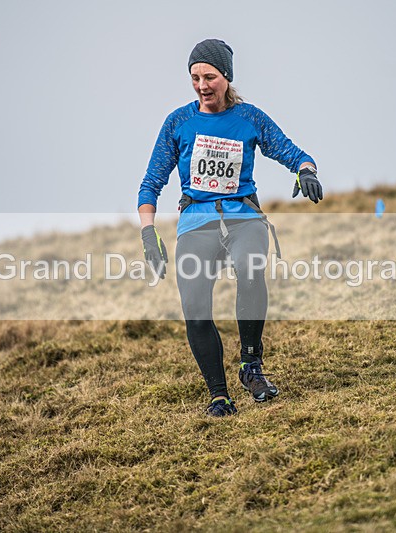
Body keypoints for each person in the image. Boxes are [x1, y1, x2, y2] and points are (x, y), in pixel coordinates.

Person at [137, 39, 322, 417]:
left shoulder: (249, 118)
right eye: (195, 78)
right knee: (194, 307)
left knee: (251, 270)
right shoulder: (178, 122)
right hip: (196, 222)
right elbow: (150, 183)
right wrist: (147, 233)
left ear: (226, 77)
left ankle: (251, 366)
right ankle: (218, 394)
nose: (202, 85)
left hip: (243, 217)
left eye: (210, 77)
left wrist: (307, 171)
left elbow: (291, 151)